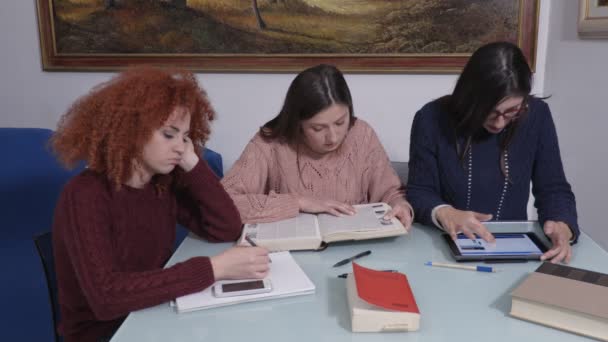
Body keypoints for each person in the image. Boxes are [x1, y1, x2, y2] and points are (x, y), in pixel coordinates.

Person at [51, 67, 270, 342]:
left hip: (154, 314)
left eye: (185, 137)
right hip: (107, 334)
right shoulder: (84, 195)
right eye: (169, 134)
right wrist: (213, 269)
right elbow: (107, 298)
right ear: (131, 130)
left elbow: (226, 227)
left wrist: (193, 163)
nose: (180, 146)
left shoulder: (161, 184)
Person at [406, 41, 578, 264]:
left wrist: (562, 225)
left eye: (512, 112)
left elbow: (553, 188)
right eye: (489, 112)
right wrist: (445, 212)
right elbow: (419, 191)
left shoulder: (537, 116)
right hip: (442, 250)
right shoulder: (431, 118)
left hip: (514, 250)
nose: (499, 123)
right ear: (469, 98)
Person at [221, 64, 413, 228]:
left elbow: (390, 191)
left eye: (340, 122)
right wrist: (298, 201)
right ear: (298, 123)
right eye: (318, 128)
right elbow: (222, 203)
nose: (333, 136)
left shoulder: (361, 134)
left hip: (355, 248)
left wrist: (400, 204)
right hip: (287, 255)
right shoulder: (270, 143)